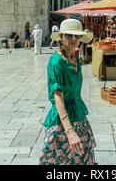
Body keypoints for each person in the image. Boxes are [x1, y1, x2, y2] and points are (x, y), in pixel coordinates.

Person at [39, 18, 96, 165]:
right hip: (62, 122)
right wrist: (69, 131)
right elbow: (57, 97)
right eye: (69, 36)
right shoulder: (56, 61)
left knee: (82, 159)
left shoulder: (76, 59)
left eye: (77, 36)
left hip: (79, 116)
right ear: (61, 37)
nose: (73, 39)